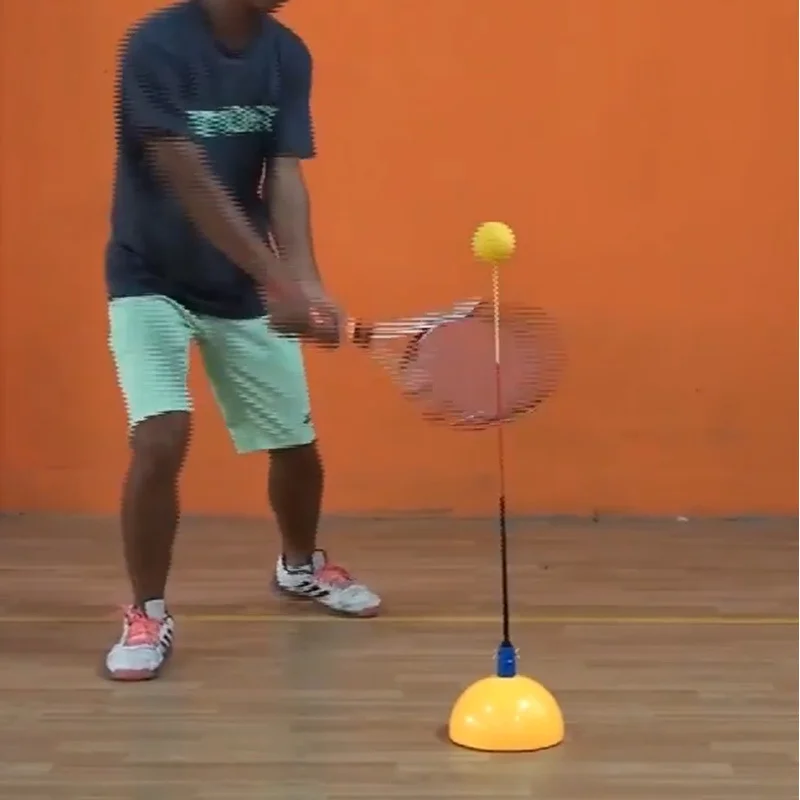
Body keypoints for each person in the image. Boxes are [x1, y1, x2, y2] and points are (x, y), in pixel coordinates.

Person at [104, 0, 381, 682]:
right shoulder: (155, 46)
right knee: (160, 435)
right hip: (149, 276)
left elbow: (283, 173)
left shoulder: (286, 54)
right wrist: (276, 280)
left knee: (295, 445)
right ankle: (147, 612)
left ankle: (300, 566)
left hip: (237, 285)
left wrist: (307, 283)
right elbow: (186, 176)